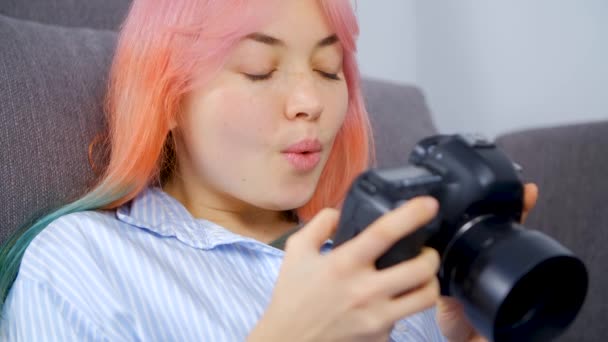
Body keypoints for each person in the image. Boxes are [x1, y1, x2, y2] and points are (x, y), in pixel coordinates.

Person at [0, 0, 538, 340]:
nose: (311, 101)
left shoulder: (367, 260)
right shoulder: (81, 263)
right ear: (166, 101)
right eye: (260, 71)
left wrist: (445, 329)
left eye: (328, 70)